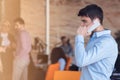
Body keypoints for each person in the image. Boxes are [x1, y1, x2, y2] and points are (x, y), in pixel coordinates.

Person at [75, 4, 118, 80]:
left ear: (96, 21)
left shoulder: (106, 42)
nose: (82, 25)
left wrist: (80, 37)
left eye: (84, 21)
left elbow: (81, 62)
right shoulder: (95, 38)